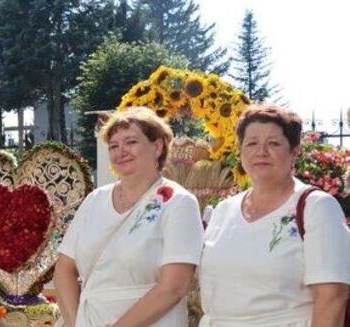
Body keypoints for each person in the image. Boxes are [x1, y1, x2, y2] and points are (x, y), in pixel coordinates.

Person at [200, 104, 350, 326]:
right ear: (240, 151)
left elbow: (332, 297)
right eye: (251, 143)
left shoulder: (316, 207)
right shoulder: (224, 210)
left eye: (273, 143)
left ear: (294, 152)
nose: (261, 151)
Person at [54, 107, 204, 327]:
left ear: (158, 146)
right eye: (114, 145)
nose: (120, 151)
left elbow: (174, 287)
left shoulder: (179, 203)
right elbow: (64, 268)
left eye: (131, 142)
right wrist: (76, 323)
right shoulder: (95, 200)